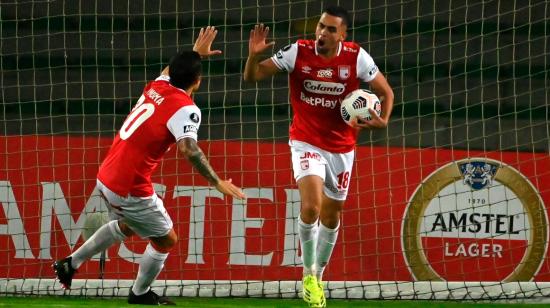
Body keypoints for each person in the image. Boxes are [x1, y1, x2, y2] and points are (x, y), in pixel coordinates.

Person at [53, 27, 246, 305]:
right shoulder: (186, 108)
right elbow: (188, 149)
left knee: (128, 225)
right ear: (198, 81)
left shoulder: (158, 84)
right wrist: (217, 182)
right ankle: (139, 294)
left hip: (106, 175)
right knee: (166, 239)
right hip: (129, 186)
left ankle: (70, 263)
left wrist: (195, 53)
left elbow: (171, 69)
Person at [244, 6, 394, 308]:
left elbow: (386, 92)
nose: (322, 33)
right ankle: (308, 275)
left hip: (342, 147)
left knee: (331, 215)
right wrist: (252, 55)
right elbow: (253, 77)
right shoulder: (297, 52)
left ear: (343, 35)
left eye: (330, 29)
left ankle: (319, 275)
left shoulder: (356, 57)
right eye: (320, 27)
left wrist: (383, 120)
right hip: (305, 141)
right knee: (311, 207)